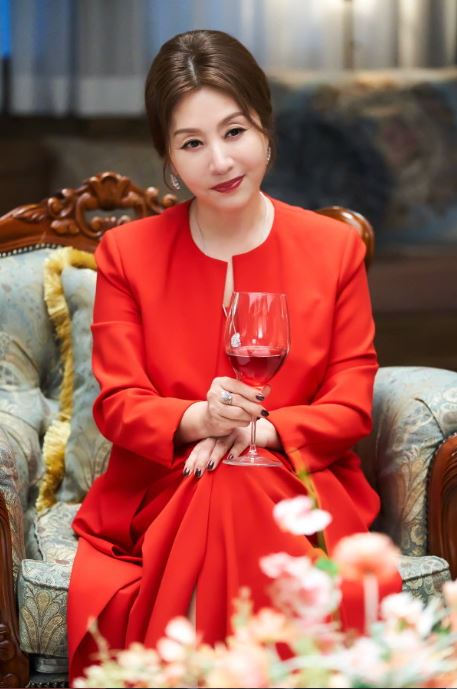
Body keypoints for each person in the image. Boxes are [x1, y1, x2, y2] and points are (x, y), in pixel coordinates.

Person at [67, 29, 401, 683]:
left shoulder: (332, 249)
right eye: (192, 143)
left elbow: (349, 403)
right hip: (166, 481)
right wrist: (199, 419)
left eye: (235, 132)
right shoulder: (126, 254)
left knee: (237, 482)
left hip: (297, 477)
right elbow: (118, 404)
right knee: (219, 486)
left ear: (265, 129)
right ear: (168, 158)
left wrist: (256, 431)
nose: (220, 161)